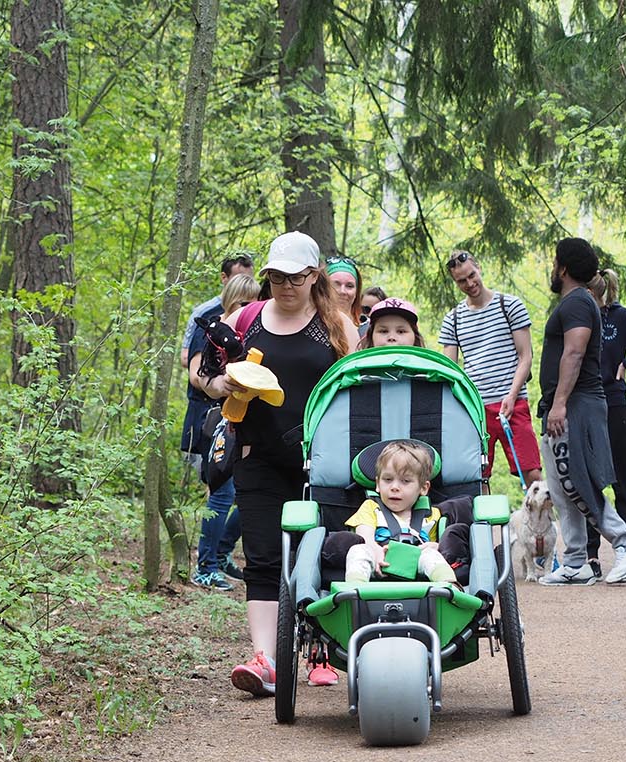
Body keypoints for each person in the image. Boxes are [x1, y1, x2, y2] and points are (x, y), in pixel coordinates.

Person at [201, 231, 358, 695]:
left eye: (295, 277)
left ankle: (320, 652)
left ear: (314, 276)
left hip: (323, 462)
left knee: (324, 554)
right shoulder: (246, 318)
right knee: (264, 558)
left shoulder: (336, 325)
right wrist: (221, 387)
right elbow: (206, 375)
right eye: (276, 276)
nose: (285, 285)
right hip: (258, 454)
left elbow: (354, 391)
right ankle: (266, 659)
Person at [535, 238, 626, 587]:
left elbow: (574, 353)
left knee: (576, 480)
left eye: (555, 262)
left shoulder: (578, 304)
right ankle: (574, 561)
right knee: (559, 485)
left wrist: (559, 404)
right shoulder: (575, 303)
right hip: (564, 405)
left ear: (563, 268)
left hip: (576, 405)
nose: (553, 268)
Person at [439, 250, 544, 486]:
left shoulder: (510, 305)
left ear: (479, 268)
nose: (470, 283)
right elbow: (450, 369)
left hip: (513, 403)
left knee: (532, 472)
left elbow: (525, 356)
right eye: (462, 281)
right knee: (477, 476)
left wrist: (512, 394)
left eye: (472, 275)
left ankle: (543, 522)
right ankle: (482, 523)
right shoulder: (453, 319)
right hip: (477, 409)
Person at [184, 274, 260, 590]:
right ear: (228, 301)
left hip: (250, 427)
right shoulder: (214, 331)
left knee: (246, 494)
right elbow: (196, 374)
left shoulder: (257, 332)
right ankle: (206, 564)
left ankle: (219, 555)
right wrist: (224, 385)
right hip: (217, 422)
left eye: (253, 303)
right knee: (222, 494)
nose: (247, 309)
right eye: (242, 303)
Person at [582, 268, 626, 581]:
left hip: (615, 403)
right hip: (588, 404)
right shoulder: (581, 315)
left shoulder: (623, 317)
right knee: (590, 482)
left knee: (622, 484)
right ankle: (591, 556)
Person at [341, 441, 459, 585]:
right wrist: (375, 550)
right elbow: (363, 536)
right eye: (388, 480)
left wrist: (434, 546)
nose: (394, 487)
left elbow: (434, 544)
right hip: (377, 560)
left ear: (423, 487)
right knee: (358, 550)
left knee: (431, 554)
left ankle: (449, 586)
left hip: (414, 564)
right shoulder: (371, 507)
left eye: (405, 481)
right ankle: (354, 589)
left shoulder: (431, 515)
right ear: (378, 484)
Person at [180, 252, 255, 369]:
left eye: (249, 278)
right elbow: (185, 358)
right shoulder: (205, 313)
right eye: (239, 278)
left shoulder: (257, 312)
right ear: (224, 277)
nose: (244, 283)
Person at [357, 296, 426, 349]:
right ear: (371, 336)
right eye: (383, 331)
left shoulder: (428, 367)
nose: (392, 337)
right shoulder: (358, 366)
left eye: (401, 331)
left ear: (415, 336)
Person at [327, 256, 363, 326]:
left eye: (349, 286)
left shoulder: (368, 330)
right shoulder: (309, 328)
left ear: (356, 292)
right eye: (335, 285)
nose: (342, 291)